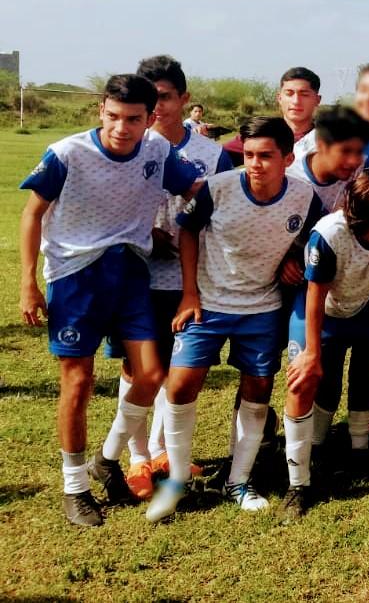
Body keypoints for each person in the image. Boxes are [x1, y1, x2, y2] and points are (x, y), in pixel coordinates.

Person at [18, 74, 204, 526]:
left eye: (134, 119)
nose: (123, 127)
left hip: (131, 273)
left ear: (150, 118)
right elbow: (33, 212)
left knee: (152, 373)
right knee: (78, 383)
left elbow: (196, 190)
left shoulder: (158, 151)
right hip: (75, 277)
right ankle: (74, 487)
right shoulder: (68, 153)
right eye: (115, 116)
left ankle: (106, 457)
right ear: (101, 110)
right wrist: (28, 281)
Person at [144, 117, 323, 521]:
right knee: (181, 385)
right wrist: (189, 292)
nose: (255, 164)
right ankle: (176, 480)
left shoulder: (303, 196)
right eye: (249, 155)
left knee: (258, 388)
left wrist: (294, 259)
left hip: (262, 308)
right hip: (207, 305)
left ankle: (238, 480)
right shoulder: (218, 188)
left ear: (287, 158)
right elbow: (187, 231)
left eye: (266, 156)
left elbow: (313, 237)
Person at [115, 55, 233, 501]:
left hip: (190, 281)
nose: (158, 106)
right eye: (150, 99)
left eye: (165, 97)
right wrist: (148, 232)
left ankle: (165, 452)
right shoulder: (127, 146)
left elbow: (220, 213)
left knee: (178, 372)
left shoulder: (211, 154)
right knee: (138, 369)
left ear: (184, 99)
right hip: (137, 275)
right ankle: (136, 458)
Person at [281, 167, 369, 520]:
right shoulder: (329, 234)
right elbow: (315, 294)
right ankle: (298, 485)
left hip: (367, 310)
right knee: (302, 380)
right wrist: (312, 352)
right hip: (323, 313)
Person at [225, 67, 321, 166]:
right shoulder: (260, 133)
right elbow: (216, 161)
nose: (296, 101)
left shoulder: (327, 141)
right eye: (289, 94)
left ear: (317, 100)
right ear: (279, 98)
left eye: (304, 95)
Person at [291, 105, 369, 212]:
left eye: (359, 151)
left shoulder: (358, 165)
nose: (354, 161)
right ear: (321, 145)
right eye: (345, 151)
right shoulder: (289, 176)